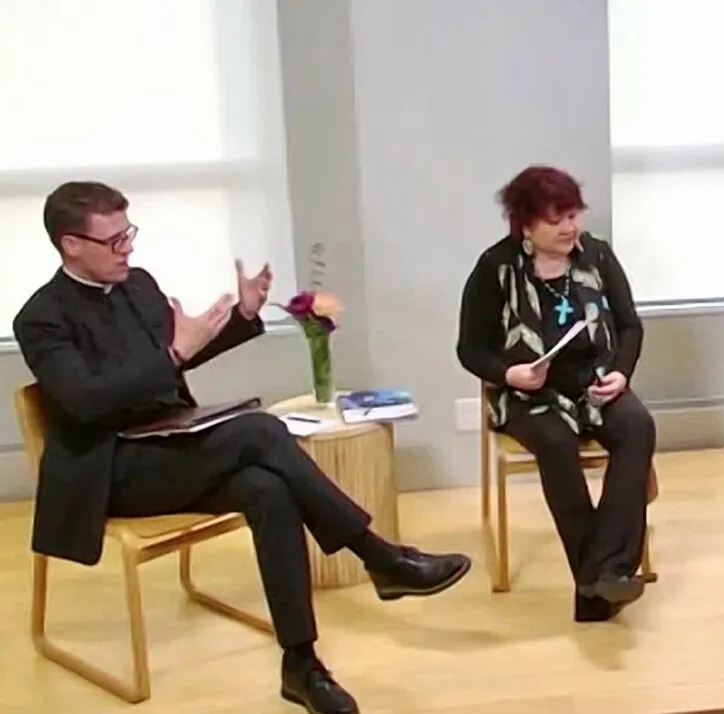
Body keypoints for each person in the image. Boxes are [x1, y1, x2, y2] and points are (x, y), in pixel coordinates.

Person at [13, 181, 472, 714]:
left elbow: (182, 353)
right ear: (71, 245)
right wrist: (173, 353)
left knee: (267, 488)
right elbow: (87, 401)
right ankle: (379, 556)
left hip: (171, 444)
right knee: (259, 429)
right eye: (114, 240)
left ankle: (301, 664)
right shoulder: (41, 318)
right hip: (111, 469)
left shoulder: (138, 285)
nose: (129, 249)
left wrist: (242, 317)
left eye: (129, 234)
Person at [456, 165, 656, 623]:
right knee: (556, 442)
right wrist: (510, 373)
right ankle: (600, 583)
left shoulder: (597, 257)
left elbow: (629, 326)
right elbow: (470, 349)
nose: (569, 228)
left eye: (573, 216)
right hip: (530, 392)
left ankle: (607, 571)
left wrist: (621, 374)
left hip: (595, 382)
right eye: (555, 220)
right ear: (525, 224)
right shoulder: (496, 268)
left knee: (637, 427)